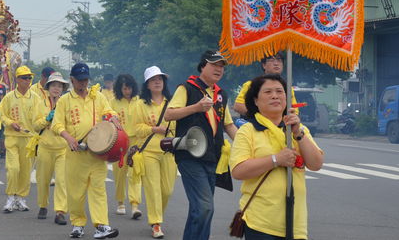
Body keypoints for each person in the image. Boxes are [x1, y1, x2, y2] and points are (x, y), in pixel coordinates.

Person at [230, 74, 323, 239]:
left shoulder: (298, 129)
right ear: (256, 100)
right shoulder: (248, 130)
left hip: (295, 222)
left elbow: (316, 164)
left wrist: (298, 134)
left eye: (280, 91)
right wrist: (275, 160)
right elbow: (238, 171)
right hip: (261, 222)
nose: (275, 95)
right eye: (268, 92)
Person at [164, 50, 237, 240]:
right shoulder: (187, 88)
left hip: (213, 157)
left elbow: (228, 124)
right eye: (214, 65)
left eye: (222, 66)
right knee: (205, 208)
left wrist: (247, 144)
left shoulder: (221, 94)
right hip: (190, 155)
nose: (219, 69)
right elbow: (169, 115)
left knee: (200, 209)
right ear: (203, 66)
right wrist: (196, 107)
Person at [52, 62, 121, 239]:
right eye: (80, 80)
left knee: (98, 189)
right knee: (76, 193)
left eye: (86, 80)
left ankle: (102, 225)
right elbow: (57, 124)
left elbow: (108, 111)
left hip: (97, 153)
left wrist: (112, 117)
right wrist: (68, 138)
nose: (83, 84)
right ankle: (77, 223)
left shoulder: (97, 96)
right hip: (76, 155)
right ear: (72, 80)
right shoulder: (65, 101)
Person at [134, 67, 177, 239]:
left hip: (169, 151)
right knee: (153, 189)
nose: (157, 82)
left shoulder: (172, 102)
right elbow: (136, 129)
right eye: (153, 80)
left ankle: (157, 216)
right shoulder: (140, 104)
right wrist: (154, 128)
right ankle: (156, 222)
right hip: (149, 151)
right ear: (147, 85)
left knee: (167, 190)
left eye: (160, 78)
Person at [0, 65, 44, 213]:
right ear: (17, 79)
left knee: (26, 170)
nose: (27, 80)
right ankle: (10, 197)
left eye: (29, 78)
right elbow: (1, 112)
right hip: (12, 137)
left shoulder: (35, 98)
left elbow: (40, 117)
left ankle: (21, 198)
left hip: (29, 138)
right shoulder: (10, 97)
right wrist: (10, 123)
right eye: (24, 78)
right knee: (13, 168)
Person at [35, 71, 69, 225]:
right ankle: (43, 205)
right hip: (45, 147)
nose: (56, 88)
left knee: (62, 181)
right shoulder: (40, 103)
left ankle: (60, 211)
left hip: (62, 148)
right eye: (54, 85)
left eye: (59, 86)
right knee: (43, 180)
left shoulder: (66, 104)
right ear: (48, 87)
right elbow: (35, 125)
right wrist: (47, 118)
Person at [233, 53, 297, 127]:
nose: (276, 63)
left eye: (279, 60)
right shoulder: (251, 84)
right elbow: (238, 106)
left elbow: (294, 110)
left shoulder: (288, 88)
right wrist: (262, 117)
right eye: (272, 60)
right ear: (264, 65)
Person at [111, 74, 142, 219]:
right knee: (119, 174)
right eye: (124, 88)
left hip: (136, 142)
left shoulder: (140, 101)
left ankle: (135, 205)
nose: (127, 91)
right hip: (120, 143)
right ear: (119, 88)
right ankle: (120, 202)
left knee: (135, 173)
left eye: (129, 88)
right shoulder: (113, 102)